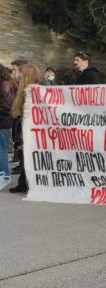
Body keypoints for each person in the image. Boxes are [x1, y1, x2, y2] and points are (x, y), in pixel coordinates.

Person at [9, 64, 41, 193]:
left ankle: (28, 184)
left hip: (31, 128)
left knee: (29, 157)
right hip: (24, 126)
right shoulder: (24, 89)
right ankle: (23, 183)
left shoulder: (35, 90)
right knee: (24, 156)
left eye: (21, 73)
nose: (18, 75)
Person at [0, 64, 17, 187]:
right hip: (3, 122)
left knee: (1, 150)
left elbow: (6, 106)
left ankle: (4, 176)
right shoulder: (4, 83)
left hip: (2, 123)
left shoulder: (5, 85)